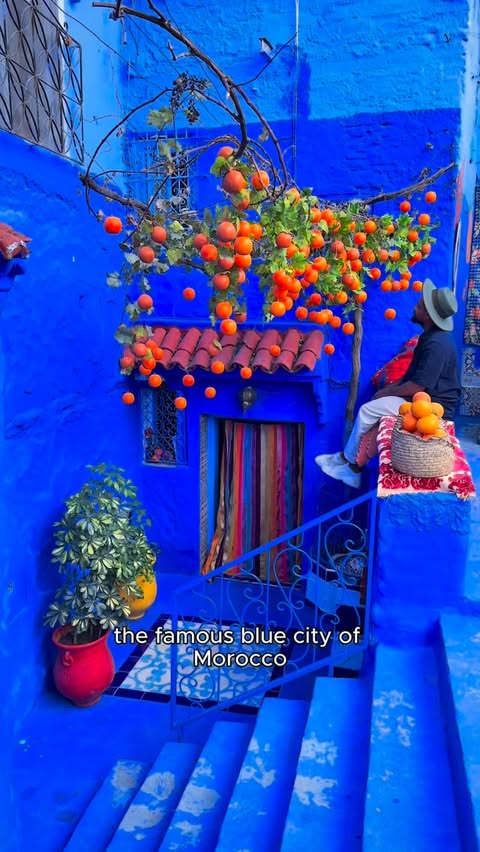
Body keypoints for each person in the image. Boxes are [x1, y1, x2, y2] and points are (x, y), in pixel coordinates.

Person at [315, 279, 461, 488]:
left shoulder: (437, 344)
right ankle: (346, 459)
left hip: (434, 408)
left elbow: (417, 386)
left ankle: (350, 467)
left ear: (428, 315)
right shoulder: (430, 338)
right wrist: (387, 390)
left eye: (419, 306)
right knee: (374, 405)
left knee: (368, 410)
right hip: (419, 398)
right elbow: (410, 377)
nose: (414, 307)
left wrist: (385, 394)